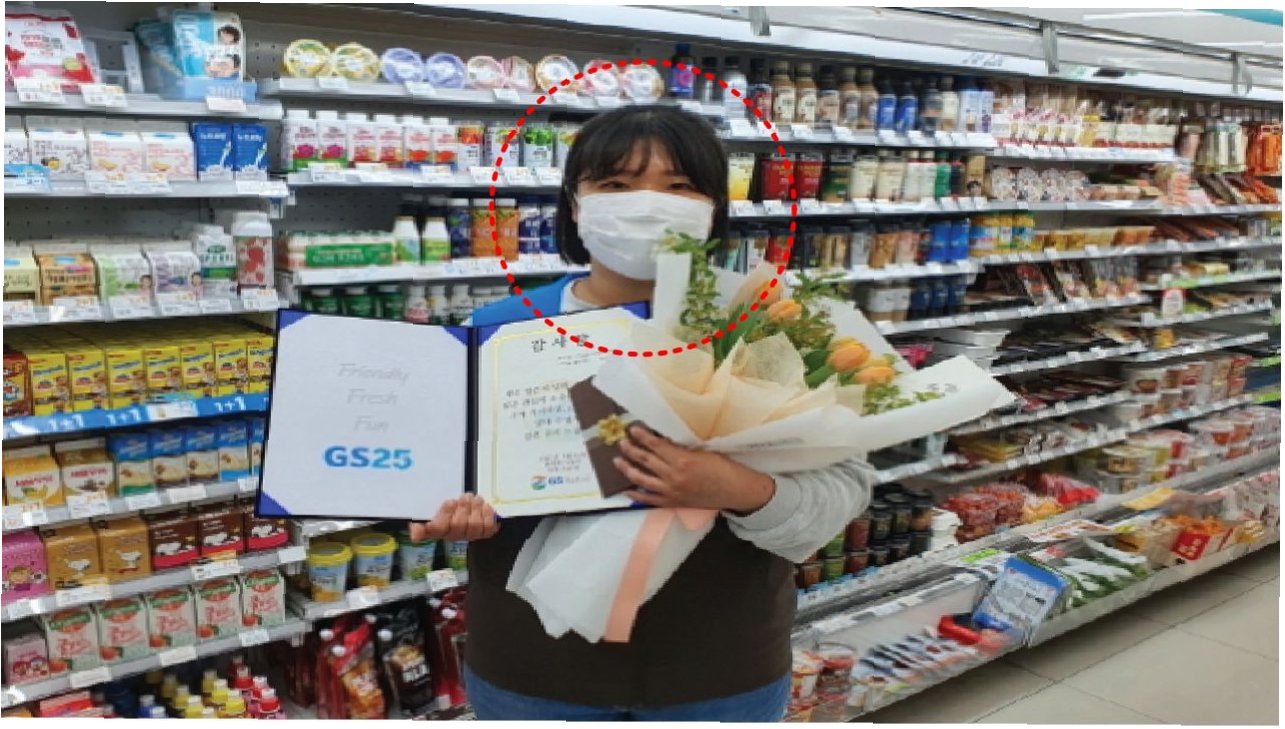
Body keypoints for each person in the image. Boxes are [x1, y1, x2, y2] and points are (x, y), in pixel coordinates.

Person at [409, 106, 875, 721]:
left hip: (719, 668)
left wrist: (734, 488)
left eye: (678, 186)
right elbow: (448, 476)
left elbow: (845, 491)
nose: (647, 204)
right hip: (535, 665)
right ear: (575, 205)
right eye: (615, 184)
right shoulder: (499, 331)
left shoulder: (776, 327)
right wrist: (456, 511)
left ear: (715, 208)